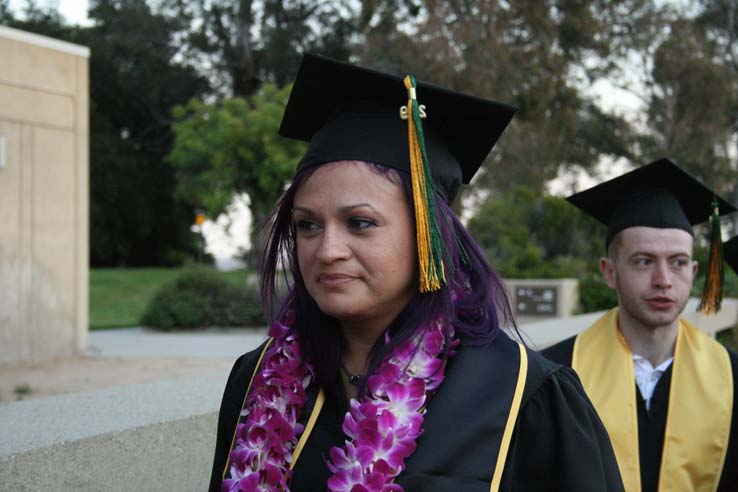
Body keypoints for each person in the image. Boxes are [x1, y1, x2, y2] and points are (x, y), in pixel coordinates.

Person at [209, 53, 623, 492]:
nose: (327, 251)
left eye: (360, 223)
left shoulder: (525, 394)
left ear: (432, 235)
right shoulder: (256, 380)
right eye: (308, 225)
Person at [543, 158, 738, 492]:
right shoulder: (555, 376)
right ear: (609, 272)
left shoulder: (733, 376)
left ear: (692, 273)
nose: (663, 280)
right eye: (644, 261)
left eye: (677, 263)